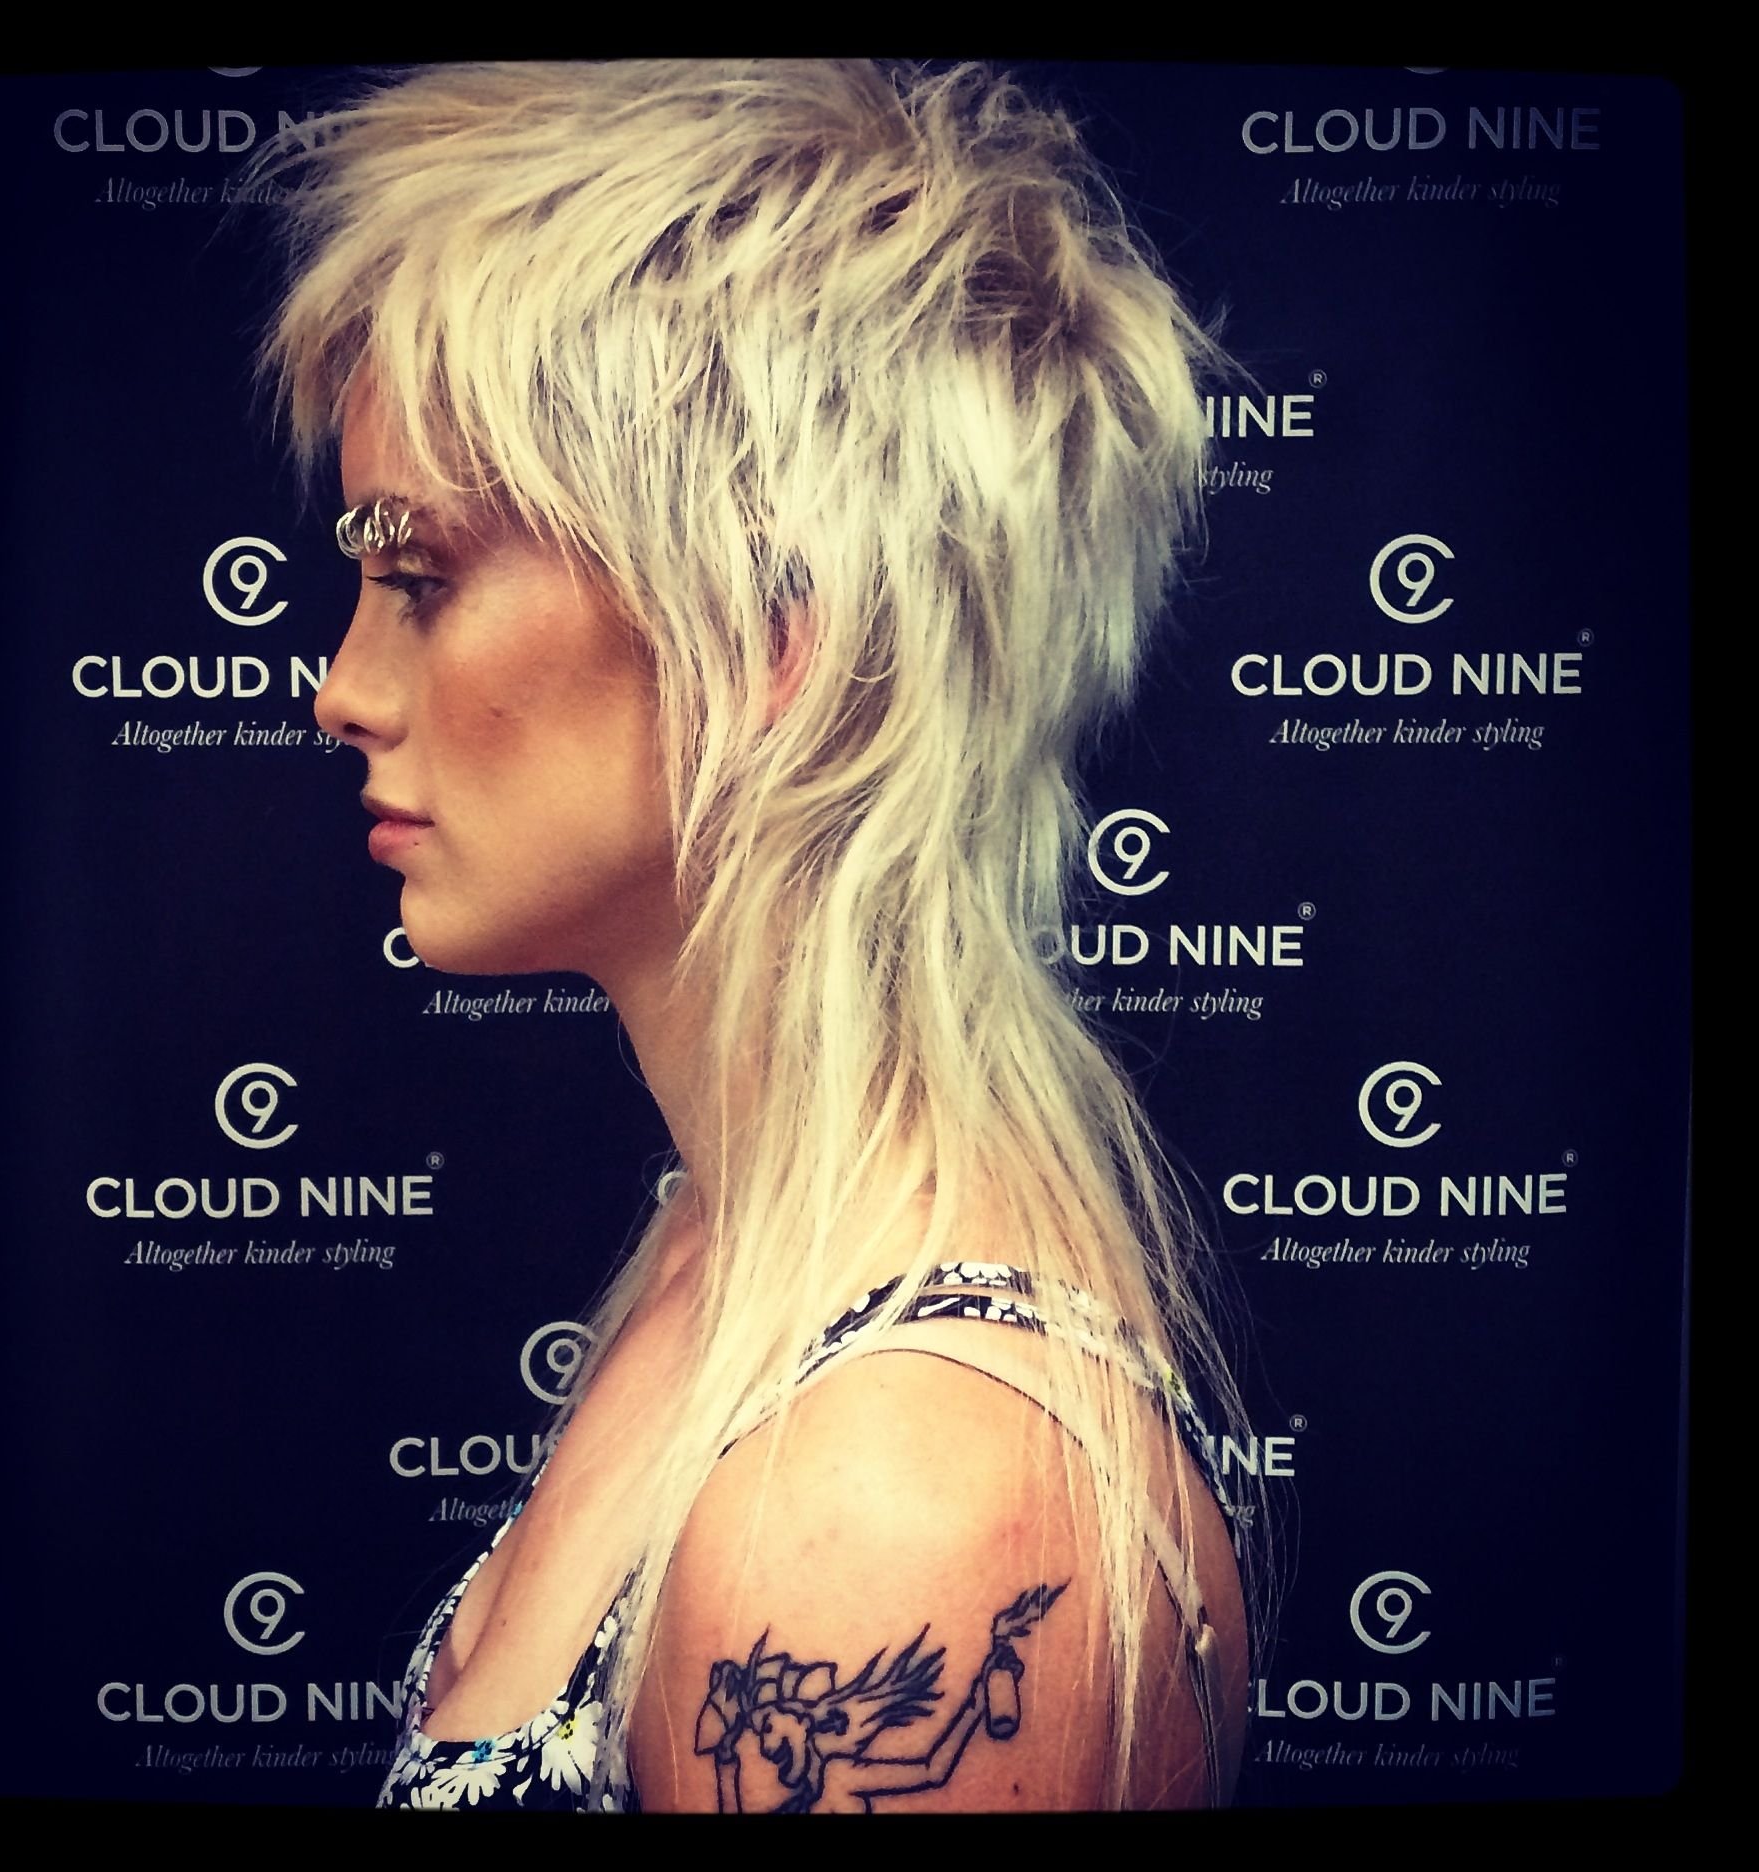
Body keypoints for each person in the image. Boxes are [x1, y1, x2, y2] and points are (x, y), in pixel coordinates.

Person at [253, 57, 1265, 1812]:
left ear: (770, 625)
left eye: (418, 578)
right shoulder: (731, 1232)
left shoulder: (900, 1508)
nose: (340, 689)